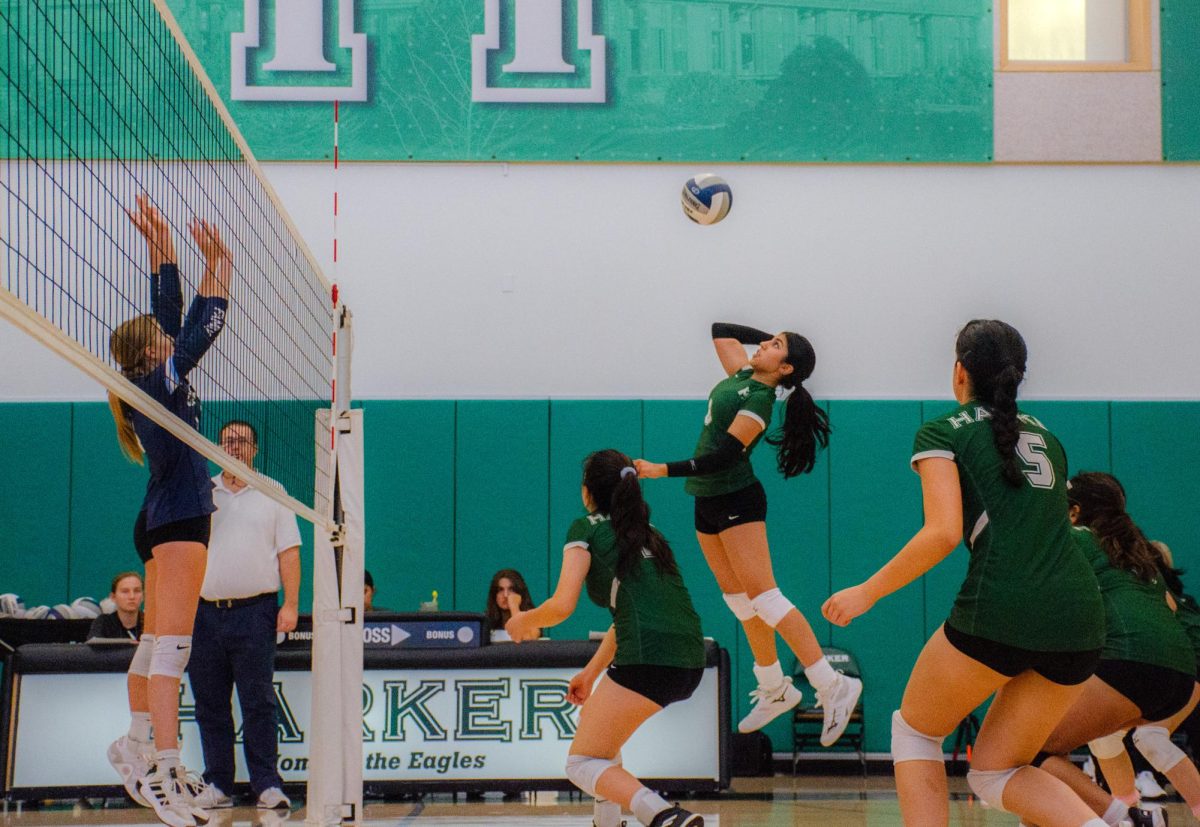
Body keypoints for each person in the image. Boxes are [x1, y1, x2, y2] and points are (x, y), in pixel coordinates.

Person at [822, 319, 1110, 827]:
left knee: (915, 732)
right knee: (996, 772)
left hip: (1001, 604)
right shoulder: (1049, 437)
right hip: (1080, 617)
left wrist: (867, 592)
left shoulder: (941, 432)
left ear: (959, 372)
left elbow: (942, 533)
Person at [635, 322, 860, 740]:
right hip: (706, 500)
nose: (763, 345)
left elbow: (723, 457)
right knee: (739, 601)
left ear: (787, 368)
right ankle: (775, 687)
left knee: (766, 597)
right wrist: (774, 338)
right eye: (768, 340)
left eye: (776, 346)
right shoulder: (742, 374)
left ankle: (833, 684)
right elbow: (721, 331)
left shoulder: (759, 399)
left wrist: (662, 470)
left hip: (737, 499)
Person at [105, 194, 231, 827]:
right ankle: (164, 772)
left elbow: (170, 314)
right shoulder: (160, 381)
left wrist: (162, 249)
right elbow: (205, 321)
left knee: (156, 642)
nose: (165, 333)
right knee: (170, 653)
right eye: (160, 338)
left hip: (162, 516)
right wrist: (222, 263)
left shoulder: (144, 382)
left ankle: (134, 741)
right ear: (154, 353)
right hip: (179, 520)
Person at [507, 449, 705, 827]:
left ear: (588, 493)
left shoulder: (586, 528)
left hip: (645, 657)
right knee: (603, 750)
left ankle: (663, 814)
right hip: (690, 658)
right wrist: (591, 672)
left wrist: (522, 621)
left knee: (581, 762)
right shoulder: (651, 536)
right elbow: (629, 616)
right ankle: (608, 822)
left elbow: (562, 605)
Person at [1032, 472, 1195, 827]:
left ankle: (1128, 818)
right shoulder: (1138, 552)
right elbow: (1168, 606)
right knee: (1083, 744)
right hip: (1181, 672)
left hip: (1132, 664)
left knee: (1026, 749)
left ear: (1074, 513)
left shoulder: (1077, 539)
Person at [186, 420, 301, 811]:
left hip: (256, 613)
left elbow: (289, 551)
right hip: (204, 614)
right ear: (216, 447)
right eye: (227, 441)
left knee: (258, 702)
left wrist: (291, 604)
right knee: (210, 702)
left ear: (254, 449)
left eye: (241, 442)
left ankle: (267, 784)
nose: (233, 447)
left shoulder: (273, 492)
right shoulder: (202, 491)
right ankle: (218, 782)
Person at [88, 571, 145, 641]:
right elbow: (94, 649)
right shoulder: (103, 623)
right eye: (125, 591)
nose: (132, 596)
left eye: (137, 591)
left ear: (143, 596)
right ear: (113, 597)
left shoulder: (151, 623)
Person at [486, 568, 539, 642]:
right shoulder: (486, 622)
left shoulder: (531, 619)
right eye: (500, 590)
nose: (505, 595)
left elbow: (527, 641)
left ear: (520, 593)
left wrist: (514, 606)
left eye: (511, 589)